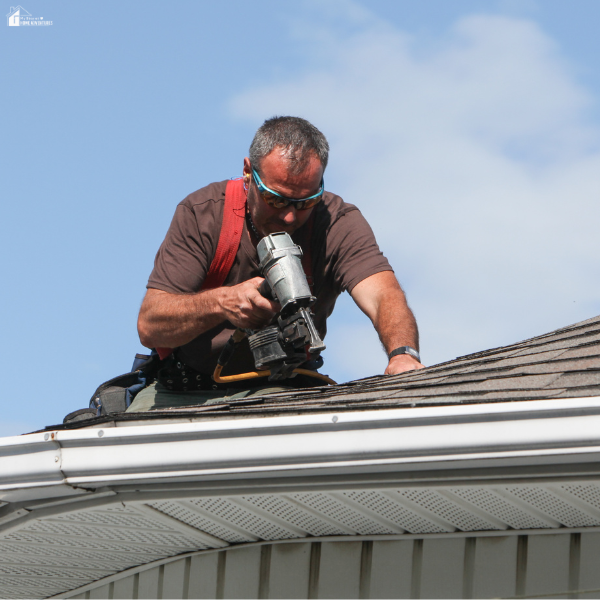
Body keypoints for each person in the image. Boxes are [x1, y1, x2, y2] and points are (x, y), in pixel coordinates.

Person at [128, 116, 423, 412]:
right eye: (277, 200)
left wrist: (403, 353)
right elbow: (150, 326)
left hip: (284, 387)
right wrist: (221, 303)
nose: (290, 217)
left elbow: (383, 294)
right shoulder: (202, 213)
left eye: (306, 202)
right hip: (185, 390)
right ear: (248, 172)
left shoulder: (337, 222)